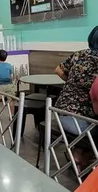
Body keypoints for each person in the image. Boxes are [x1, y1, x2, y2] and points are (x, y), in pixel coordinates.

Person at [55, 26, 98, 169]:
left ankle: (78, 155)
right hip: (81, 121)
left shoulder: (79, 54)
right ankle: (82, 158)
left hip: (61, 112)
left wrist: (71, 82)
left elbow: (58, 69)